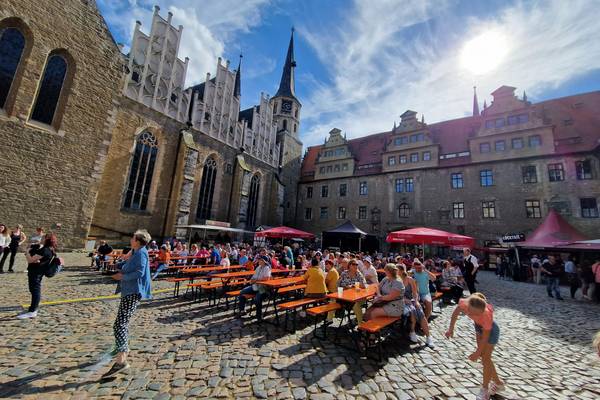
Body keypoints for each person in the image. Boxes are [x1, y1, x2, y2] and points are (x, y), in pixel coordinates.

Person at [102, 229, 152, 379]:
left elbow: (140, 272)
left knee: (120, 324)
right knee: (121, 323)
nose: (131, 239)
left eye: (133, 237)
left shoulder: (141, 253)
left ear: (138, 241)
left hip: (133, 291)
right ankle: (121, 348)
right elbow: (130, 264)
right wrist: (118, 265)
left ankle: (122, 358)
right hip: (129, 290)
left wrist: (122, 277)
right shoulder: (136, 251)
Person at [445, 293, 504, 400]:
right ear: (468, 306)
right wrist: (451, 329)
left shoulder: (486, 314)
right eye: (473, 313)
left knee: (485, 358)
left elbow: (485, 337)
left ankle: (485, 389)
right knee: (485, 359)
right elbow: (455, 314)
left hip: (491, 331)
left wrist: (477, 352)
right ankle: (498, 383)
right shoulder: (465, 303)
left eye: (478, 314)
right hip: (478, 327)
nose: (474, 315)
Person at [18, 233, 58, 319]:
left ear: (47, 239)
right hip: (37, 271)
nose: (41, 239)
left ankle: (33, 311)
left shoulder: (45, 250)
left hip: (36, 272)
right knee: (33, 290)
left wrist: (27, 252)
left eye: (43, 238)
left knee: (35, 291)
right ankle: (32, 309)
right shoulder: (49, 249)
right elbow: (40, 259)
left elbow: (30, 260)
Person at [399, 265, 434, 347]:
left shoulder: (410, 279)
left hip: (411, 300)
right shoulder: (396, 280)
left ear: (401, 271)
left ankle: (428, 337)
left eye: (397, 271)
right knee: (413, 310)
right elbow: (397, 295)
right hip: (402, 301)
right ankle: (412, 331)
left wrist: (416, 301)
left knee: (420, 311)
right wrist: (405, 299)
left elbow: (415, 293)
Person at [237, 255, 272, 321]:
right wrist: (252, 280)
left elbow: (267, 278)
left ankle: (259, 316)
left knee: (257, 299)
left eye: (260, 260)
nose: (258, 261)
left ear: (264, 261)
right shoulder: (258, 267)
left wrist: (256, 280)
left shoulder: (267, 268)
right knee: (242, 293)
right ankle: (242, 310)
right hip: (255, 286)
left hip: (263, 288)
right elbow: (253, 277)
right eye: (259, 260)